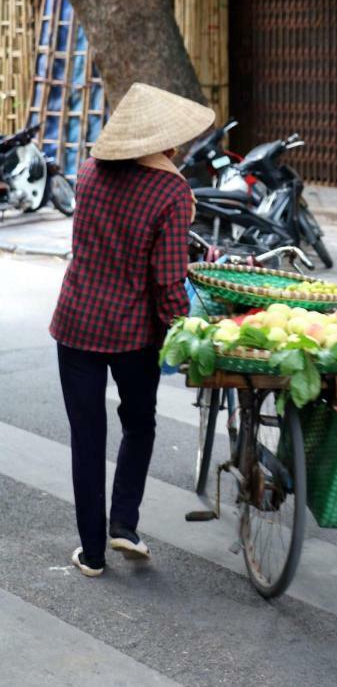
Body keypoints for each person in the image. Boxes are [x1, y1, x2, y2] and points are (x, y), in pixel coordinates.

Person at [50, 82, 214, 577]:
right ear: (161, 144)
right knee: (138, 424)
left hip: (76, 321)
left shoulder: (88, 172)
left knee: (87, 436)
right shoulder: (170, 191)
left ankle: (93, 554)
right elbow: (168, 282)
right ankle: (124, 525)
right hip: (132, 334)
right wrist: (181, 332)